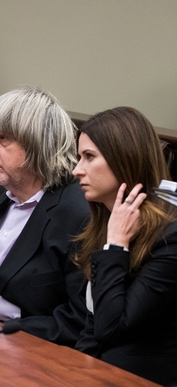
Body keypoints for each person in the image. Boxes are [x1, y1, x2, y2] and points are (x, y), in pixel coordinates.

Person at [0, 87, 89, 346]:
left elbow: (77, 322)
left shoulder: (77, 215)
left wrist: (6, 320)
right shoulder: (10, 192)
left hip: (23, 349)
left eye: (3, 138)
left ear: (37, 145)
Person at [72, 107, 177, 385]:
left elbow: (111, 327)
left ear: (124, 159)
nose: (76, 170)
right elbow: (92, 324)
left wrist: (117, 246)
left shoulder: (170, 238)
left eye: (89, 157)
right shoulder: (104, 223)